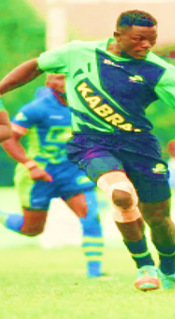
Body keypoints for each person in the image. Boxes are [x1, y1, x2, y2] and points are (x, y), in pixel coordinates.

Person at [0, 10, 175, 291]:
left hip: (140, 146)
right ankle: (144, 266)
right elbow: (35, 65)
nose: (146, 46)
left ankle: (170, 270)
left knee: (159, 219)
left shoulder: (160, 71)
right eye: (138, 39)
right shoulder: (77, 52)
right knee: (121, 195)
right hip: (92, 143)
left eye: (151, 40)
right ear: (117, 36)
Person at [0, 74, 104, 278]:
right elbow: (8, 139)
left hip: (72, 172)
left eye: (70, 77)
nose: (67, 82)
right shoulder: (36, 108)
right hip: (38, 174)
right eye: (61, 78)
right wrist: (30, 165)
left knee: (90, 215)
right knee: (32, 229)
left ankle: (95, 273)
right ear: (50, 83)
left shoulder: (87, 105)